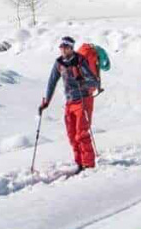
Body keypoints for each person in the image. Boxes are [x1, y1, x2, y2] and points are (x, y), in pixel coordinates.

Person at [39, 36, 99, 173]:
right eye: (61, 47)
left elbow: (94, 82)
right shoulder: (59, 63)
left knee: (81, 134)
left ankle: (88, 164)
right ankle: (79, 163)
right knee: (72, 135)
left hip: (83, 100)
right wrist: (46, 101)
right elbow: (51, 82)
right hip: (69, 102)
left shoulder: (80, 61)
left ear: (71, 48)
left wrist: (82, 82)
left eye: (65, 47)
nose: (63, 49)